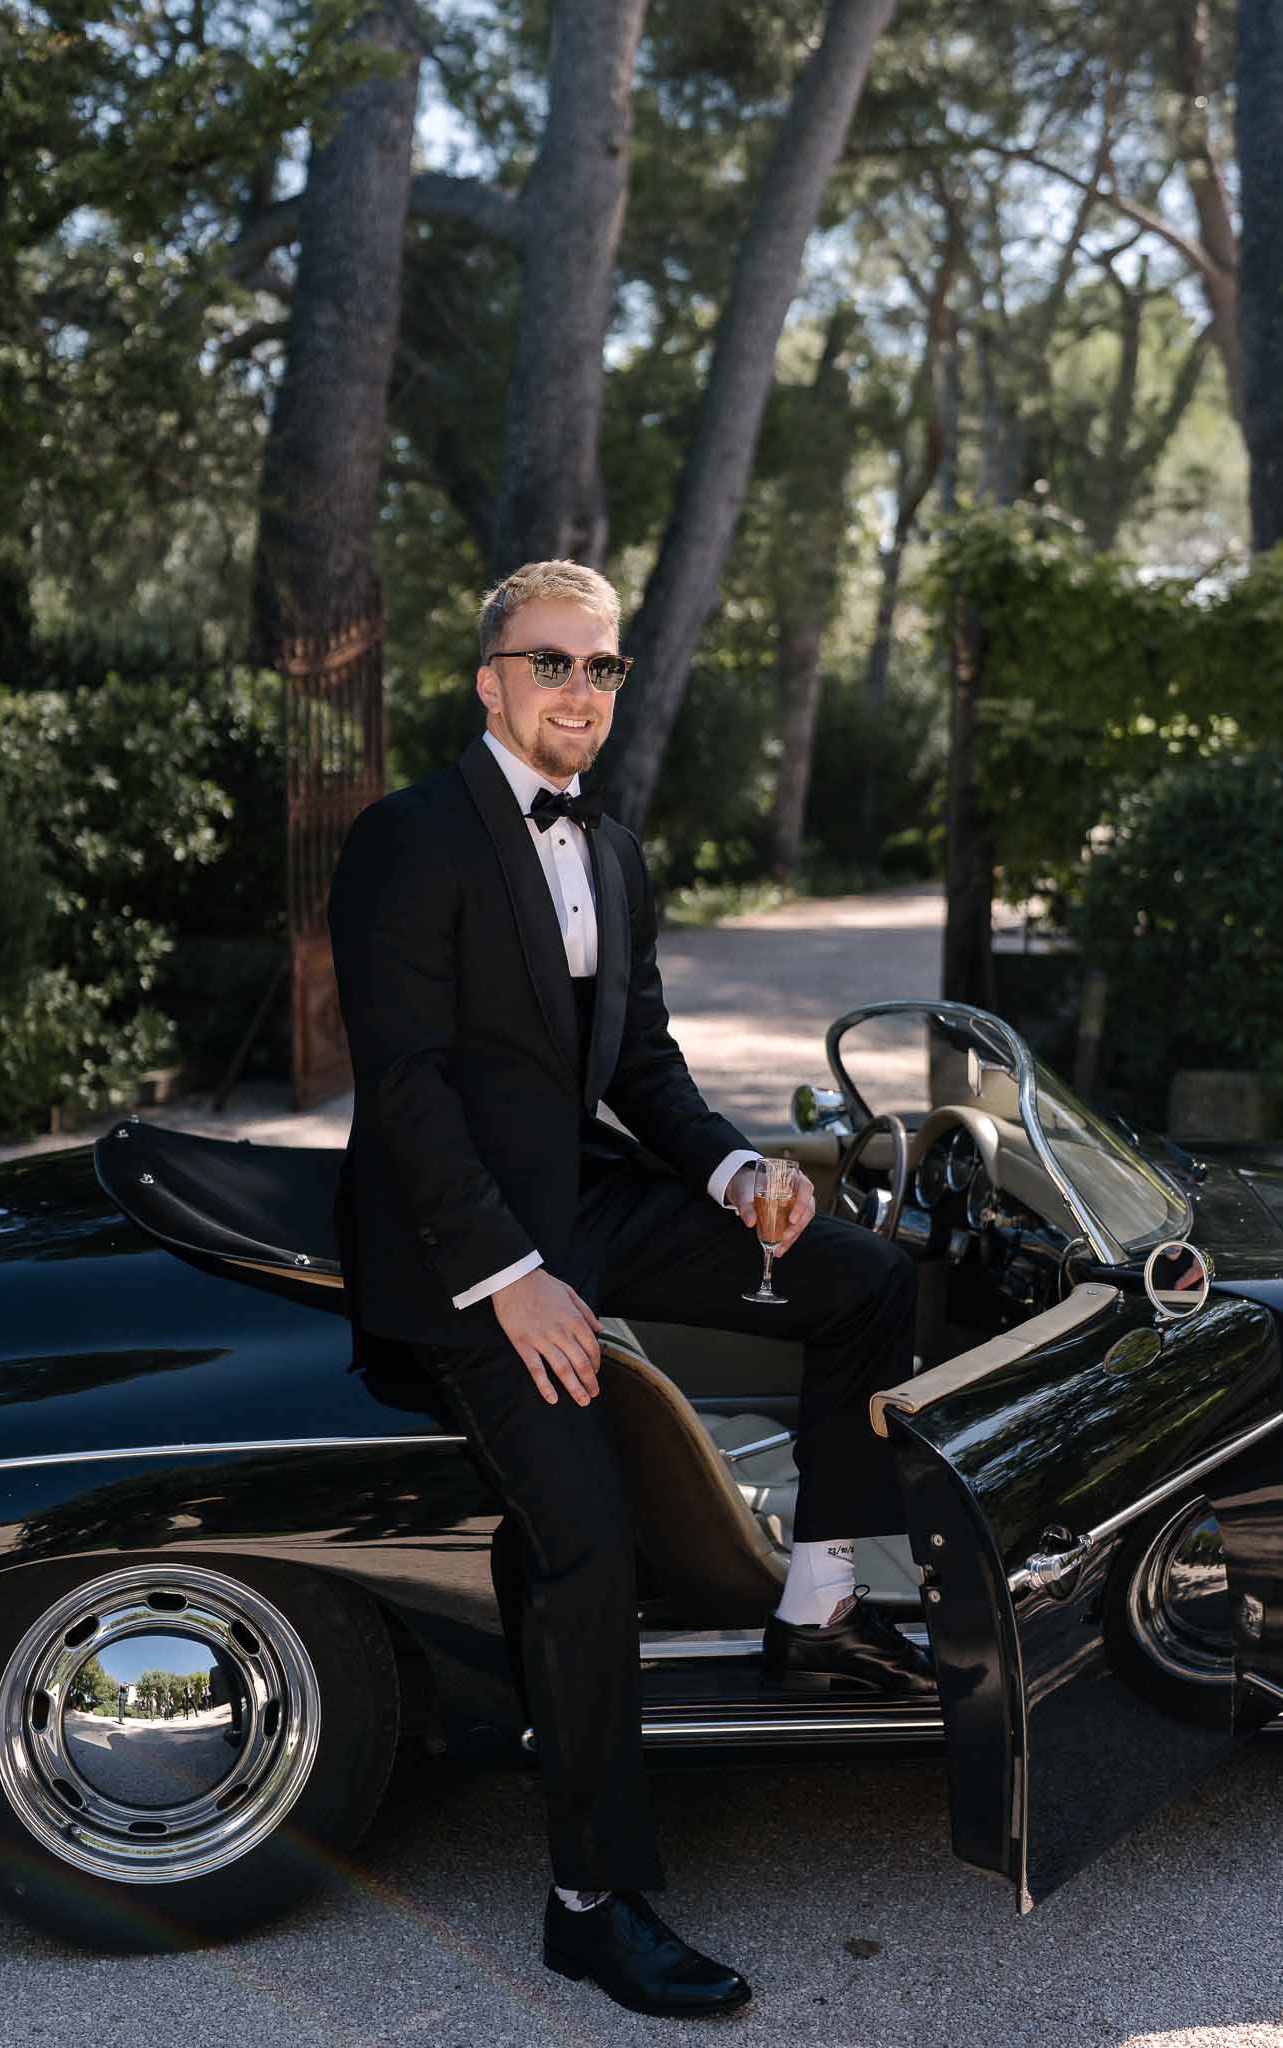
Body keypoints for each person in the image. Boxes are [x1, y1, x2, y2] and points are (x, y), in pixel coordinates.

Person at [328, 560, 932, 2019]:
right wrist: (512, 1282)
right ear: (489, 680)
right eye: (550, 664)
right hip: (455, 1247)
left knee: (859, 1275)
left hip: (588, 1203)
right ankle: (591, 1901)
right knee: (587, 1539)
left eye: (600, 668)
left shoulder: (615, 849)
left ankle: (816, 1604)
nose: (578, 691)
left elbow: (644, 1065)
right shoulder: (408, 840)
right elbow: (406, 1093)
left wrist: (735, 1177)